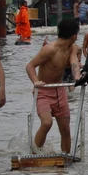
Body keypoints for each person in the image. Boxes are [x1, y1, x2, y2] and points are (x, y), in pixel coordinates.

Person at [25, 19, 81, 154]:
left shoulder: (72, 48)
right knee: (46, 123)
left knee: (65, 128)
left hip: (59, 90)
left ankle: (66, 156)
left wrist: (78, 77)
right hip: (43, 91)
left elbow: (74, 62)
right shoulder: (49, 49)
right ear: (74, 36)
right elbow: (30, 66)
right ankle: (33, 155)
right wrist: (35, 81)